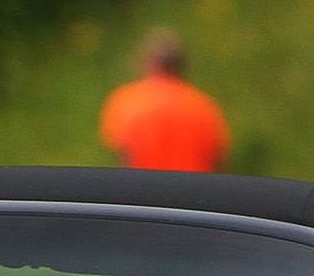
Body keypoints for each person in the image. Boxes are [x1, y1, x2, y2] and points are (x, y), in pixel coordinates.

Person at [99, 29, 231, 173]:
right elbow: (218, 161)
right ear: (183, 65)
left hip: (142, 190)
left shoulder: (126, 101)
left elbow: (123, 155)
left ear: (147, 62)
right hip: (193, 191)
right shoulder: (204, 106)